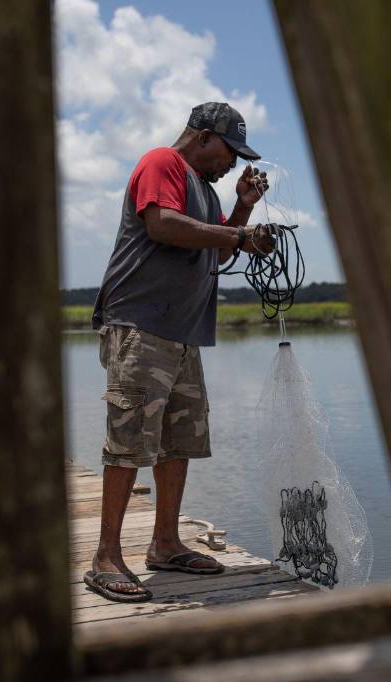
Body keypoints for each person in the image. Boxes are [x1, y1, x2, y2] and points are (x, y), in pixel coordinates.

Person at [84, 102, 276, 602]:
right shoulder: (161, 164)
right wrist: (239, 232)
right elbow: (163, 225)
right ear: (206, 137)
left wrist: (243, 211)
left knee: (179, 440)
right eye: (230, 153)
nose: (233, 164)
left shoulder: (208, 194)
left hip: (183, 334)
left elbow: (216, 249)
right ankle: (105, 556)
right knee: (129, 441)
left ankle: (165, 543)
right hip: (140, 326)